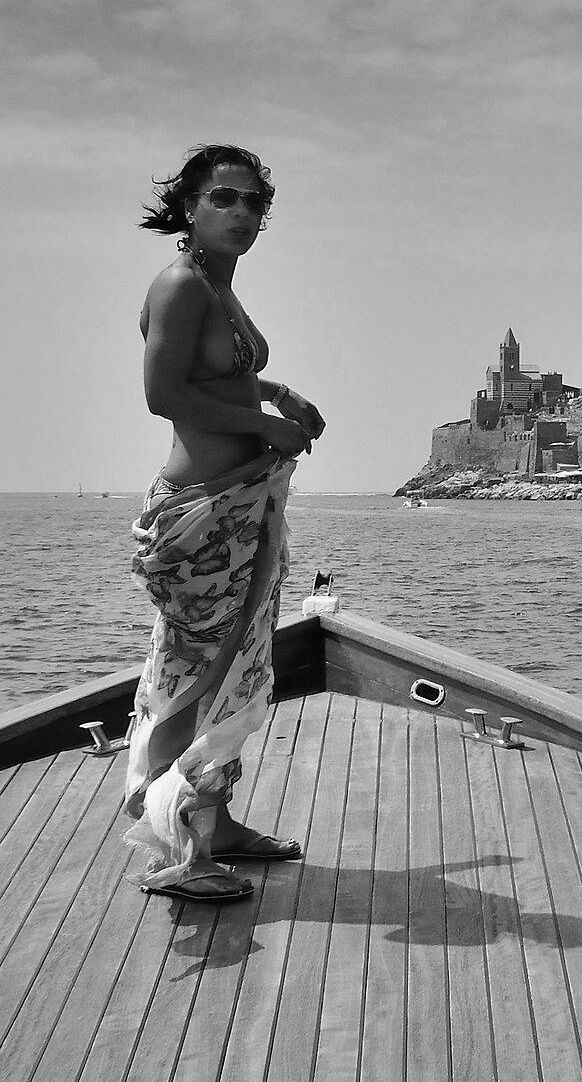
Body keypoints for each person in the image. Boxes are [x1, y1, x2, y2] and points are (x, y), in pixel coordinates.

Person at [123, 144, 326, 902]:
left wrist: (276, 394)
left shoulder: (216, 283)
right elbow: (163, 393)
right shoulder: (181, 284)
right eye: (225, 199)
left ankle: (217, 824)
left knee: (236, 670)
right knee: (195, 678)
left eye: (253, 203)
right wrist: (266, 431)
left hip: (237, 511)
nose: (241, 214)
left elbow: (220, 371)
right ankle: (175, 849)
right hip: (199, 521)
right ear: (189, 205)